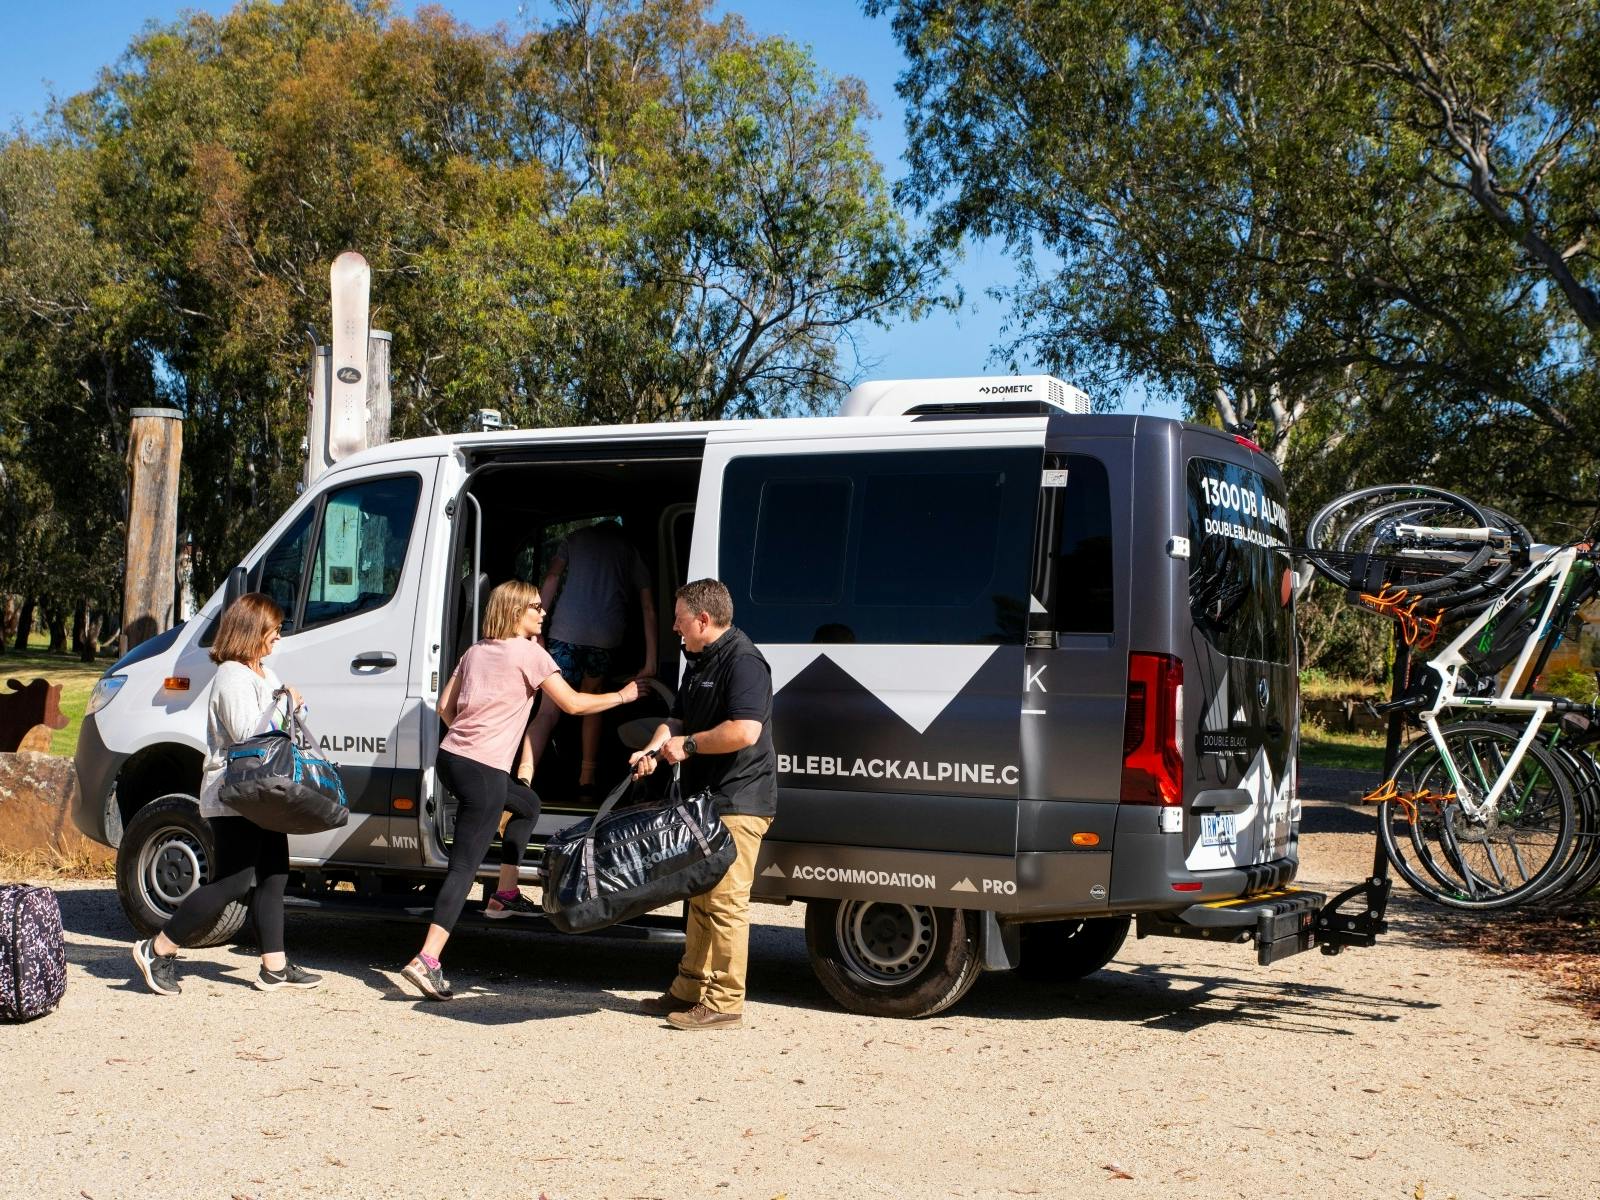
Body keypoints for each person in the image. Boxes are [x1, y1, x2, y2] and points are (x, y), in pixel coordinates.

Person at [398, 579, 640, 1001]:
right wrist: (625, 694)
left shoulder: (476, 651)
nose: (543, 612)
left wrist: (474, 735)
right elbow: (574, 705)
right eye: (535, 607)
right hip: (483, 771)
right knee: (463, 869)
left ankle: (505, 894)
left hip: (453, 759)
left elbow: (444, 708)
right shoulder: (529, 653)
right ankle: (428, 959)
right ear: (514, 613)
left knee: (526, 804)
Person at [130, 592, 322, 996]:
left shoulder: (263, 674)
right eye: (274, 629)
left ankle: (275, 967)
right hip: (235, 795)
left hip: (264, 793)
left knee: (274, 875)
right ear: (252, 630)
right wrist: (287, 704)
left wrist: (293, 704)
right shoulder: (231, 675)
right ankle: (156, 949)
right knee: (233, 884)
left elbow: (283, 724)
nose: (278, 638)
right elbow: (248, 735)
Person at [629, 578, 775, 1031]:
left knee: (726, 901)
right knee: (699, 897)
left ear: (703, 619)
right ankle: (689, 988)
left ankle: (725, 1001)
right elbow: (677, 721)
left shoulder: (744, 661)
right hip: (706, 801)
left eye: (679, 619)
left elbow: (745, 732)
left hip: (740, 799)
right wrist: (654, 750)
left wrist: (687, 748)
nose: (674, 627)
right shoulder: (699, 660)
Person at [519, 520, 656, 796]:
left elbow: (551, 578)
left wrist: (537, 627)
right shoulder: (628, 548)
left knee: (548, 709)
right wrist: (650, 659)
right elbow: (648, 606)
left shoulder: (574, 538)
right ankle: (587, 778)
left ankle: (524, 776)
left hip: (565, 631)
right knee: (593, 696)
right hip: (605, 635)